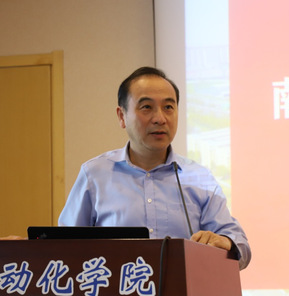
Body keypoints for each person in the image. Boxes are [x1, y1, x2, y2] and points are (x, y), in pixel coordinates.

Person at [58, 66, 251, 269]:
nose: (160, 118)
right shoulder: (95, 175)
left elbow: (240, 246)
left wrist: (225, 242)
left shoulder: (198, 177)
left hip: (183, 290)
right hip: (116, 289)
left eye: (168, 107)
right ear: (122, 116)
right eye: (146, 107)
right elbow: (62, 247)